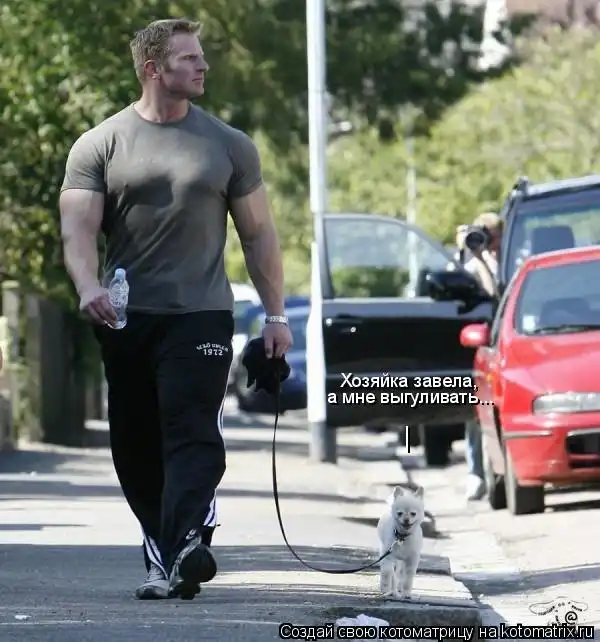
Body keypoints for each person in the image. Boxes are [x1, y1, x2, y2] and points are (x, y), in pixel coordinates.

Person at [59, 18, 293, 601]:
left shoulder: (229, 145)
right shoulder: (100, 145)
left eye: (200, 55)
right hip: (128, 317)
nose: (203, 65)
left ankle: (187, 539)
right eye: (189, 58)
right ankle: (169, 553)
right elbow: (78, 230)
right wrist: (86, 286)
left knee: (191, 428)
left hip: (201, 314)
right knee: (134, 441)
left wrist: (276, 316)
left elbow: (259, 235)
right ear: (153, 69)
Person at [455, 212, 503, 501]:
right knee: (475, 411)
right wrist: (464, 252)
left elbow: (495, 292)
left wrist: (485, 258)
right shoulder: (470, 264)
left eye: (491, 234)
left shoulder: (508, 259)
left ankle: (496, 470)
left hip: (503, 339)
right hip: (479, 342)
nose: (486, 240)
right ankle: (476, 472)